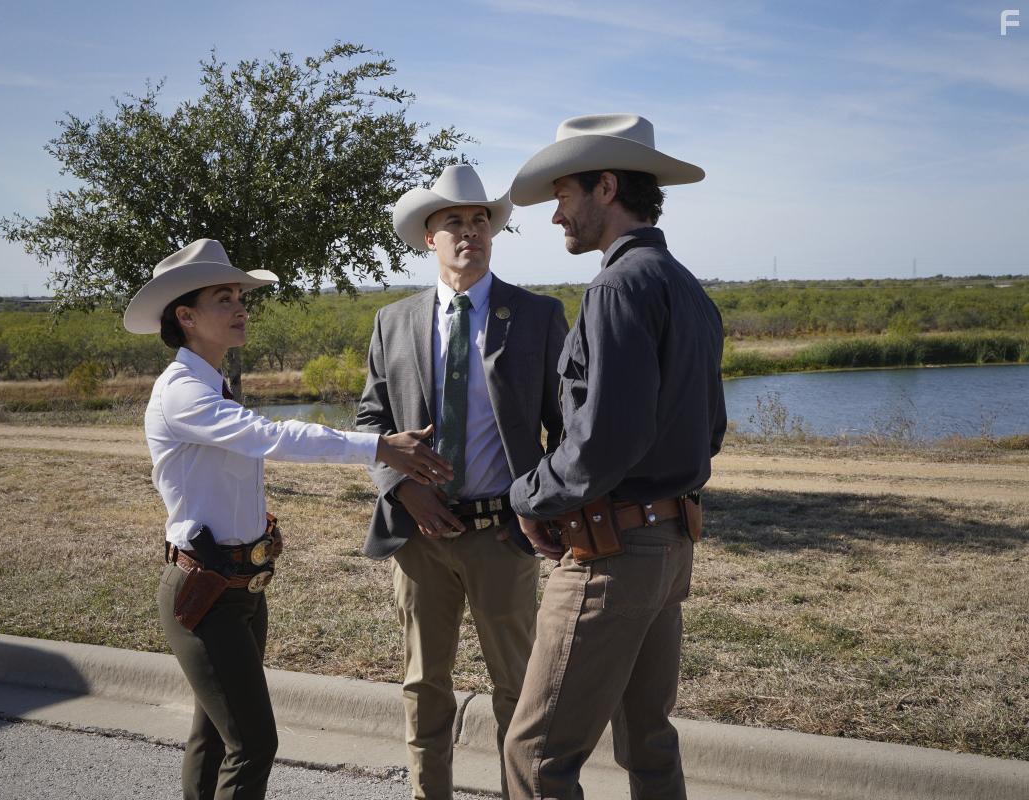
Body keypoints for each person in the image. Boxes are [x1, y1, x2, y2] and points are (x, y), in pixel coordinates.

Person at [123, 238, 453, 800]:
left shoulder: (210, 386)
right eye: (224, 298)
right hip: (204, 593)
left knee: (216, 735)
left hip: (239, 587)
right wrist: (378, 446)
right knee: (253, 744)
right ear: (186, 317)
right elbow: (272, 436)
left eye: (240, 297)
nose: (240, 308)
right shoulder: (181, 393)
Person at [501, 115, 727, 800]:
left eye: (562, 195)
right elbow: (710, 429)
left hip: (613, 554)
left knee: (536, 756)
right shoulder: (686, 287)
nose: (555, 216)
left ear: (605, 187)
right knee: (648, 744)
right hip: (669, 546)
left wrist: (526, 496)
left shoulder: (616, 287)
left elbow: (602, 443)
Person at [356, 165, 568, 800]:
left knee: (519, 689)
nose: (471, 231)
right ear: (430, 237)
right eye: (455, 222)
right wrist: (401, 488)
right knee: (424, 685)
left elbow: (565, 427)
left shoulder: (536, 316)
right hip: (419, 538)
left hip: (503, 534)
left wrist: (534, 506)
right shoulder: (393, 321)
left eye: (481, 220)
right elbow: (371, 422)